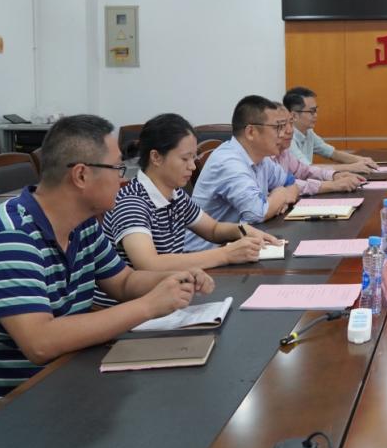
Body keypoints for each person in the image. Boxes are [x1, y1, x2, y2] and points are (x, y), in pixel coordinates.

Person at [0, 115, 213, 419]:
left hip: (63, 382)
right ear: (81, 175)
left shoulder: (82, 224)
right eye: (116, 168)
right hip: (2, 411)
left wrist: (173, 279)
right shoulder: (10, 237)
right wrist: (149, 306)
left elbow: (123, 282)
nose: (122, 179)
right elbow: (40, 342)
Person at [96, 114, 284, 306]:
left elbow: (213, 229)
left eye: (193, 158)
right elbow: (149, 264)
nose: (192, 166)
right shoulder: (132, 202)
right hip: (129, 308)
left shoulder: (175, 195)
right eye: (185, 158)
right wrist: (226, 254)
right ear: (156, 157)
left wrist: (243, 230)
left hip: (166, 297)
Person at [185, 95, 300, 252]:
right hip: (206, 253)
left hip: (239, 243)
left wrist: (282, 195)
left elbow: (291, 183)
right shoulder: (229, 162)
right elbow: (257, 213)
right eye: (276, 127)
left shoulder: (261, 157)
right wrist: (280, 194)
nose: (282, 134)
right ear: (251, 132)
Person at [283, 87, 378, 174]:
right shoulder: (286, 138)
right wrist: (350, 167)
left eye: (316, 110)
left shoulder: (308, 132)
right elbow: (307, 169)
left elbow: (331, 153)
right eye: (311, 111)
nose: (316, 115)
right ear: (294, 116)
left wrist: (361, 160)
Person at [273, 107, 365, 195]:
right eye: (282, 125)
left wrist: (334, 175)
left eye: (291, 123)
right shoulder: (268, 158)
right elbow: (287, 185)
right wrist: (333, 185)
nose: (290, 130)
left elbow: (305, 170)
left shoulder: (284, 152)